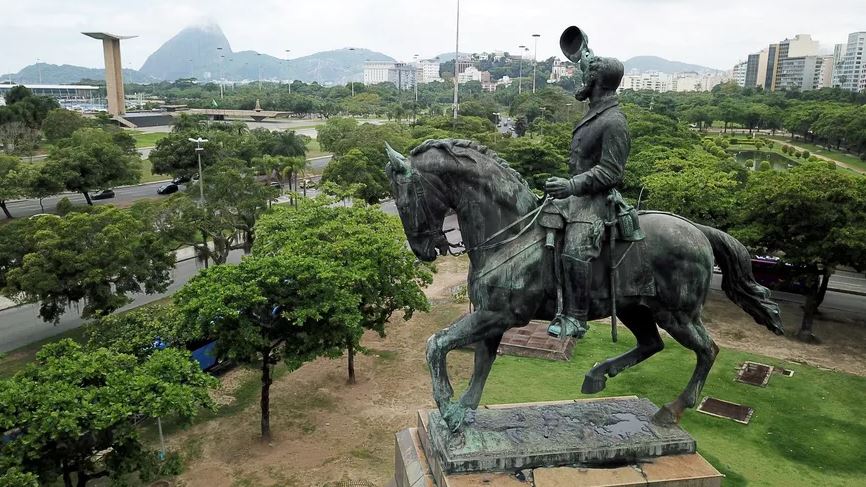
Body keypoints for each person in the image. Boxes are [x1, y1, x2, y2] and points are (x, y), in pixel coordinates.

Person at [544, 55, 629, 339]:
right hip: (577, 195)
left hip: (595, 200)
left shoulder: (614, 121)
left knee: (574, 250)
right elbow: (589, 65)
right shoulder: (597, 111)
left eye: (587, 76)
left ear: (595, 81)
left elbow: (611, 171)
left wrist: (571, 185)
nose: (582, 80)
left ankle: (576, 317)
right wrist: (585, 54)